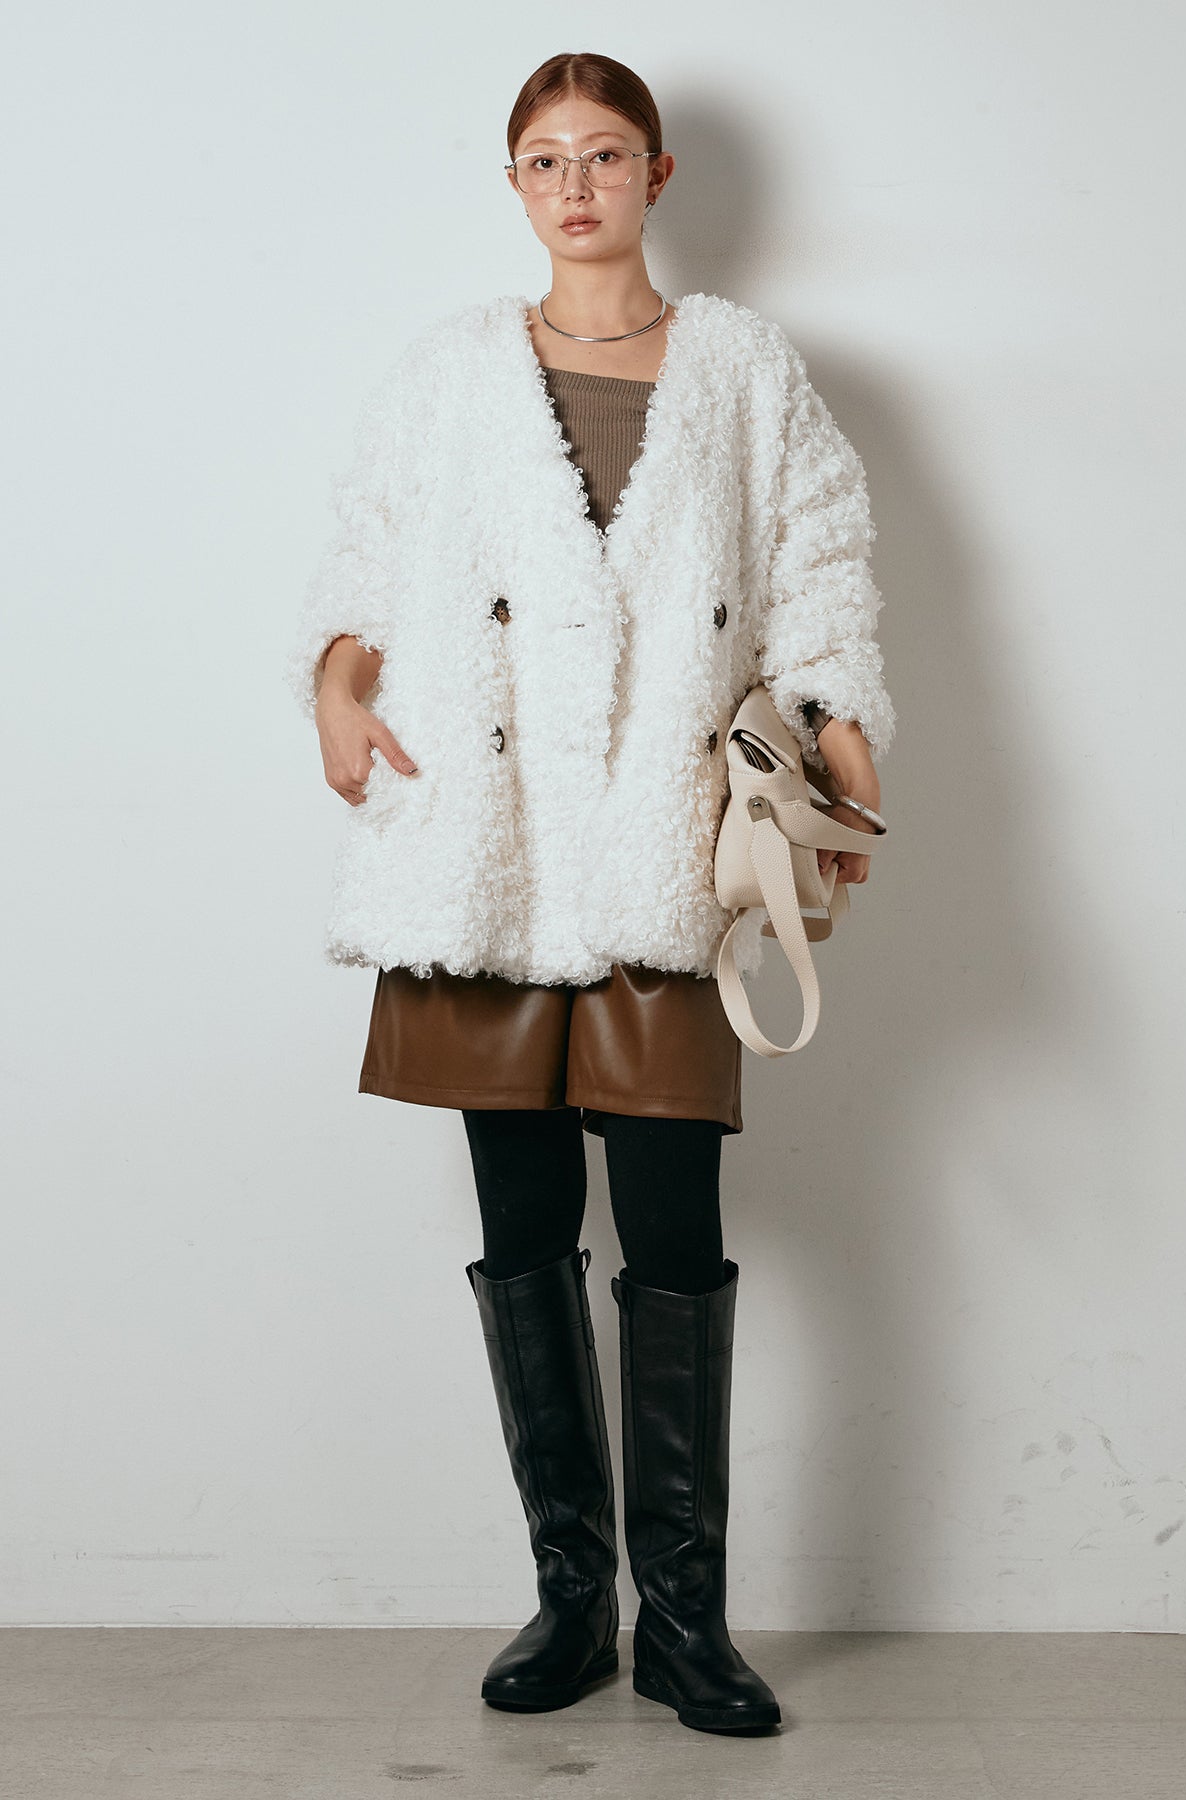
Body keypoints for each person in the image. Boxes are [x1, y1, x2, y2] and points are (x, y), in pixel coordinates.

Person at [286, 51, 895, 1737]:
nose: (576, 185)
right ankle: (572, 1602)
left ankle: (686, 1623)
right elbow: (365, 554)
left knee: (676, 1233)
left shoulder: (745, 368)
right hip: (486, 846)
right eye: (546, 159)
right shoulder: (451, 371)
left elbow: (822, 558)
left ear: (657, 174)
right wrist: (336, 684)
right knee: (521, 1228)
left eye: (606, 154)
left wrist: (844, 729)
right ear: (514, 183)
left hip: (656, 843)